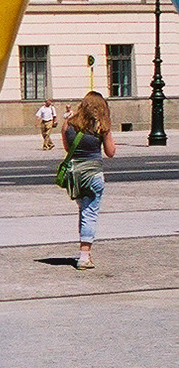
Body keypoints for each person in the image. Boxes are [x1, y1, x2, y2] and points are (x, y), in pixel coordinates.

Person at [62, 90, 116, 269]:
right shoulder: (102, 126)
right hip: (93, 174)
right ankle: (84, 256)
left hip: (75, 176)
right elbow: (111, 152)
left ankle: (85, 252)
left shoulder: (68, 124)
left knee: (84, 211)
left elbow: (67, 148)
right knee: (90, 213)